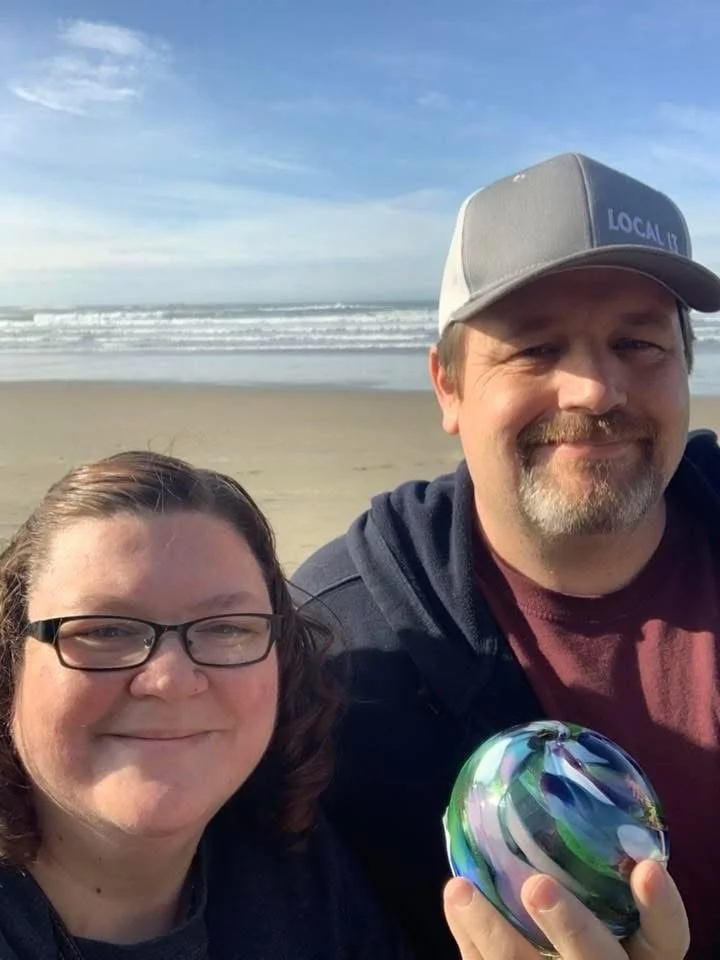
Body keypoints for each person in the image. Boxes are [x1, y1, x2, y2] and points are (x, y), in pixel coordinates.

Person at [292, 152, 720, 960]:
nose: (594, 390)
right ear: (447, 388)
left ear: (687, 369)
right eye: (533, 349)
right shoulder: (332, 652)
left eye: (639, 343)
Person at [0, 449, 415, 959]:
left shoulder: (304, 884)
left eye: (226, 629)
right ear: (10, 664)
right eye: (105, 630)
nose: (171, 679)